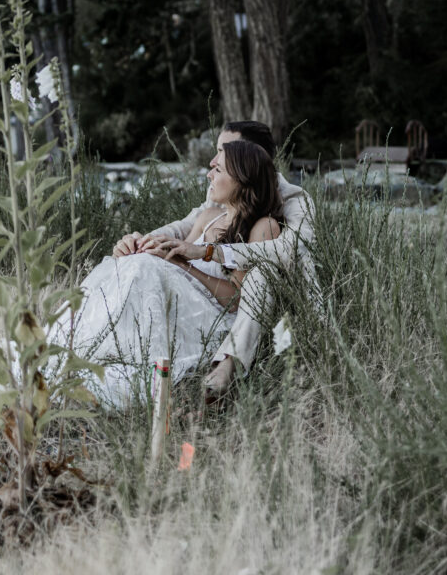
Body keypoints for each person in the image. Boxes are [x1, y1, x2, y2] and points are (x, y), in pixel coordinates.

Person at [49, 138, 284, 410]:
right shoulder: (209, 216)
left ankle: (98, 365)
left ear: (243, 180)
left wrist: (183, 264)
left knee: (143, 269)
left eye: (218, 171)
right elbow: (176, 257)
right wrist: (143, 247)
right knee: (133, 264)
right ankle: (74, 348)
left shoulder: (262, 226)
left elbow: (237, 299)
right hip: (180, 301)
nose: (209, 174)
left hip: (209, 316)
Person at [112, 121, 314, 402]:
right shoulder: (218, 202)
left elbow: (286, 251)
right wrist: (141, 242)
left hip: (260, 298)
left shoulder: (294, 201)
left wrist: (207, 254)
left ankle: (228, 363)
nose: (212, 163)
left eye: (221, 154)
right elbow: (184, 228)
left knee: (262, 272)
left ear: (247, 160)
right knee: (136, 266)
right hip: (200, 289)